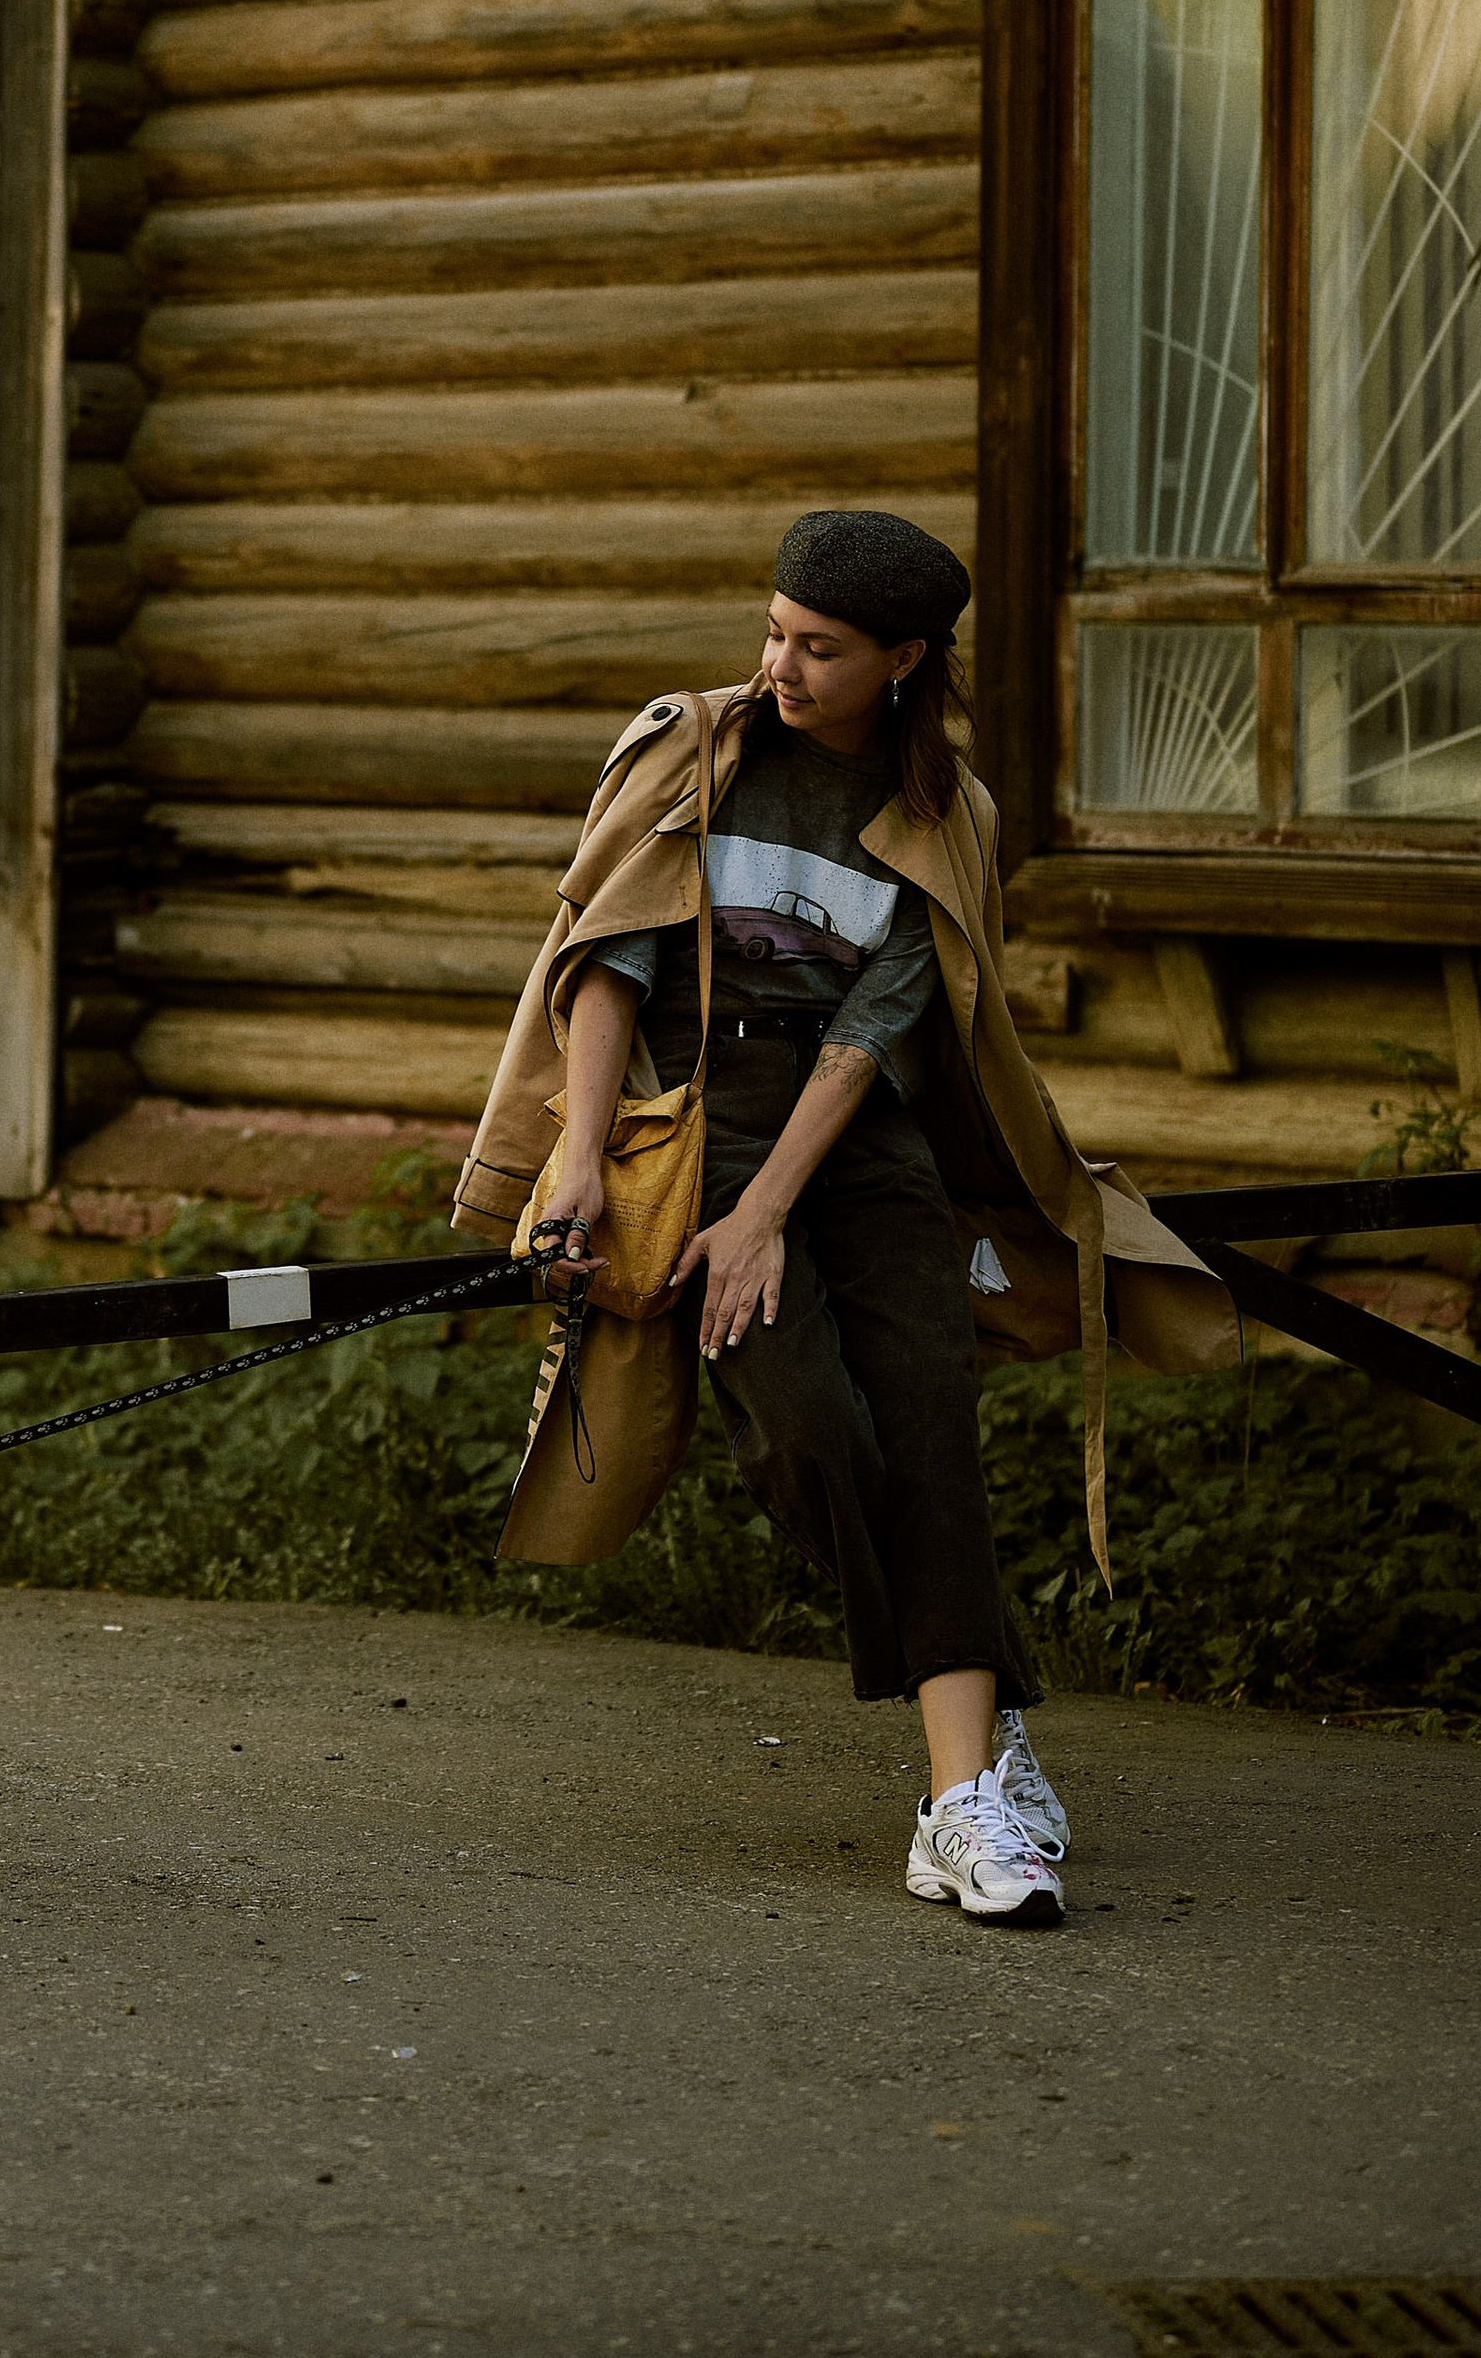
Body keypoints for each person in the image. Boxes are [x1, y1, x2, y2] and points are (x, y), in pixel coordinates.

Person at [453, 508, 1237, 1932]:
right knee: (809, 1429)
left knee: (930, 1428)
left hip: (854, 1138)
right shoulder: (696, 748)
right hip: (691, 1116)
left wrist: (768, 1216)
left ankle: (954, 1809)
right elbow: (608, 958)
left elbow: (880, 1032)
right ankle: (987, 1726)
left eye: (818, 648)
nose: (780, 666)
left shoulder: (949, 814)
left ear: (904, 660)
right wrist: (579, 1158)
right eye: (773, 631)